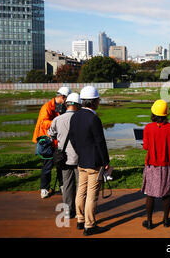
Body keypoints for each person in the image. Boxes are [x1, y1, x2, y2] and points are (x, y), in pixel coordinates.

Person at [69, 86, 110, 236]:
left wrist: (80, 152)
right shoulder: (94, 118)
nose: (99, 102)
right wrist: (106, 161)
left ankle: (80, 220)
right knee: (92, 195)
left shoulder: (75, 116)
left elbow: (72, 138)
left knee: (81, 191)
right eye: (98, 100)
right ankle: (90, 225)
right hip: (94, 162)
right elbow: (100, 142)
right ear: (93, 102)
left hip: (82, 161)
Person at [141, 99, 170, 230]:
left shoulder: (148, 128)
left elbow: (145, 147)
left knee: (150, 194)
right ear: (166, 114)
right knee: (167, 193)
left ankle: (150, 222)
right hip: (167, 165)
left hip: (152, 165)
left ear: (153, 113)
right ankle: (166, 220)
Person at [32, 86, 71, 199]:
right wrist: (58, 122)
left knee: (60, 164)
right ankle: (44, 189)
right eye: (67, 99)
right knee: (47, 166)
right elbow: (44, 123)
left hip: (57, 141)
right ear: (63, 97)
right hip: (47, 142)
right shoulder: (47, 107)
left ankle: (62, 185)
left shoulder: (61, 106)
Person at [48, 93, 81, 219]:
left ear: (67, 104)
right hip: (79, 157)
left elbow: (51, 134)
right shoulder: (80, 119)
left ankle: (67, 211)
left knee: (67, 185)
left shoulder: (57, 119)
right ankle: (80, 211)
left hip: (64, 158)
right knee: (80, 185)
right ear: (77, 105)